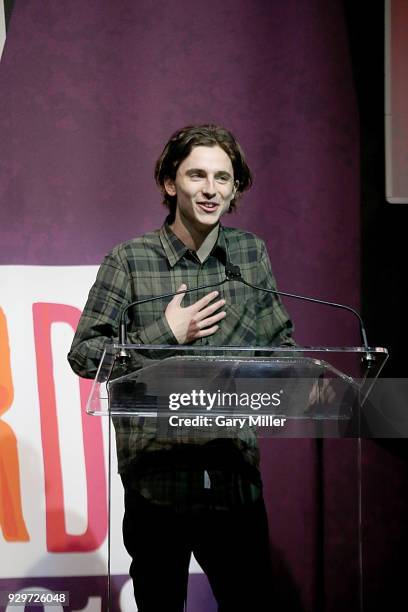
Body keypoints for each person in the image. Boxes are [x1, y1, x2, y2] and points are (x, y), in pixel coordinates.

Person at [68, 124, 295, 611]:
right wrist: (163, 336)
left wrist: (279, 375)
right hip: (159, 485)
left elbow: (283, 347)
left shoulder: (250, 256)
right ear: (171, 183)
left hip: (234, 482)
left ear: (235, 189)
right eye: (197, 175)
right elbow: (85, 354)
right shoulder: (130, 260)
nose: (210, 189)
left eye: (223, 178)